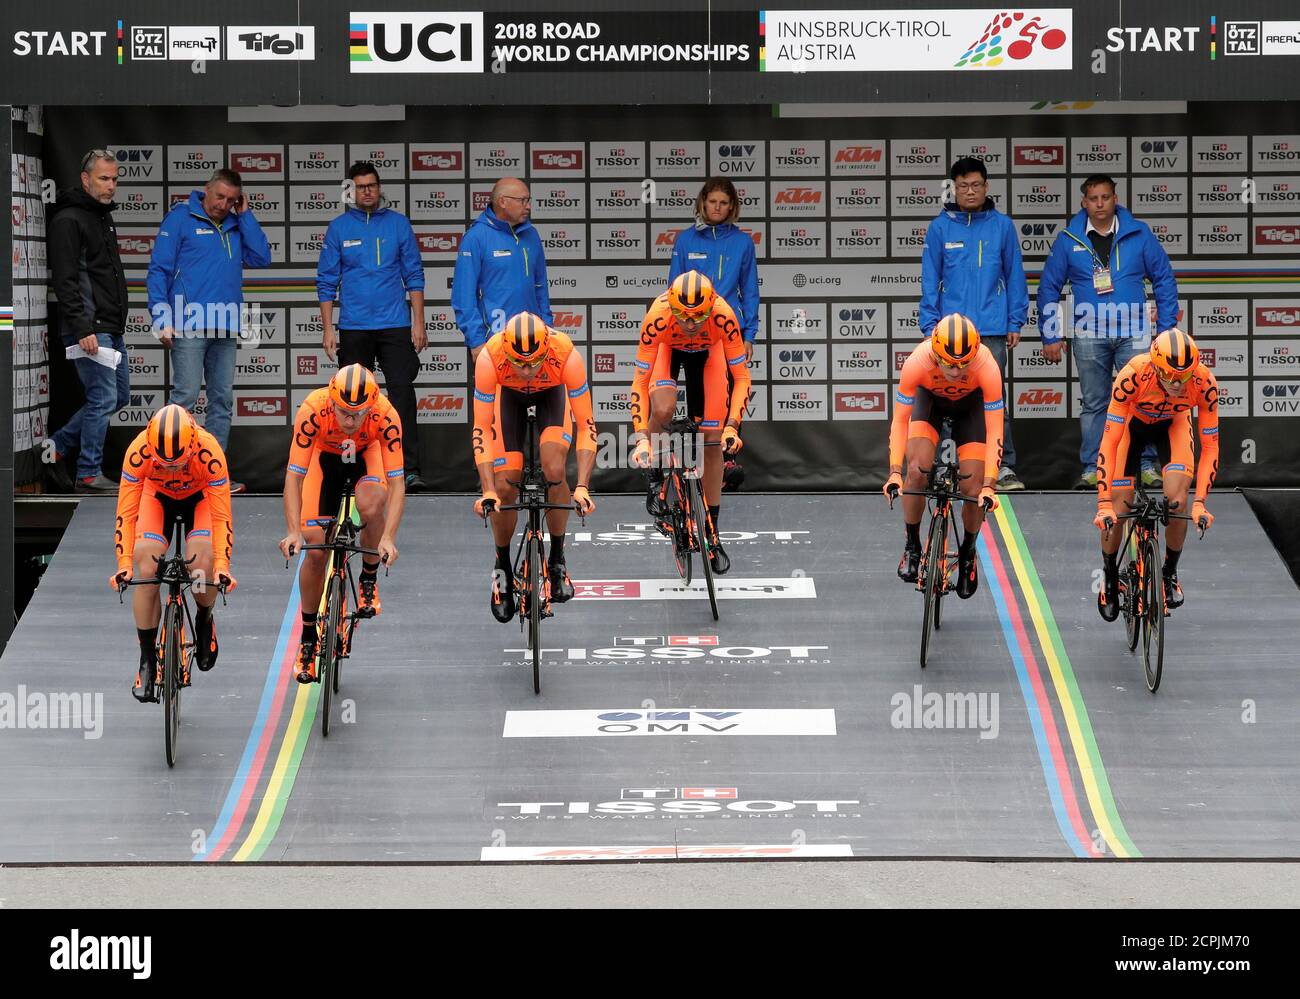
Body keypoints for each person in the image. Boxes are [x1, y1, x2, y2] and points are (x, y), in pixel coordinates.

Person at [1037, 175, 1178, 490]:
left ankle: (1144, 464)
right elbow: (1048, 287)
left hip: (1135, 331)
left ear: (1115, 199)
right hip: (1089, 332)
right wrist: (1050, 334)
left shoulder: (1139, 234)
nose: (1099, 204)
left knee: (1144, 399)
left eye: (1105, 197)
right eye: (1093, 199)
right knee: (1095, 401)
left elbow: (1164, 280)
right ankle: (1093, 466)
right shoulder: (1069, 239)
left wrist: (1166, 331)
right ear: (1084, 203)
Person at [278, 365, 406, 683]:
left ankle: (368, 577)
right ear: (332, 401)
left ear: (371, 407)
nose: (349, 420)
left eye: (358, 413)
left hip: (367, 454)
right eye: (343, 412)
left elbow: (398, 483)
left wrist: (388, 538)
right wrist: (293, 530)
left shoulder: (386, 415)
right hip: (325, 459)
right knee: (316, 548)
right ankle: (308, 638)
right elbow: (294, 478)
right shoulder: (313, 410)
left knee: (372, 503)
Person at [148, 167, 272, 493]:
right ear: (206, 190)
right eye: (220, 196)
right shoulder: (179, 218)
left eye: (232, 200)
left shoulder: (235, 222)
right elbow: (158, 270)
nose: (223, 204)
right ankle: (172, 473)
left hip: (226, 324)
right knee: (184, 399)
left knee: (221, 401)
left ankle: (211, 475)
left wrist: (245, 216)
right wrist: (161, 318)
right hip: (188, 323)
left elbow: (262, 258)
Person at [472, 313, 597, 622]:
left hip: (551, 394)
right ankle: (501, 565)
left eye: (533, 363)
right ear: (507, 351)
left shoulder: (565, 354)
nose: (527, 371)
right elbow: (481, 430)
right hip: (507, 398)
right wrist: (488, 489)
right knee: (505, 483)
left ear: (545, 349)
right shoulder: (490, 357)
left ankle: (557, 559)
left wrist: (582, 485)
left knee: (554, 469)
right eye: (519, 364)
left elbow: (586, 425)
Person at [110, 404, 234, 702]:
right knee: (146, 564)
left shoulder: (210, 451)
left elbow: (221, 518)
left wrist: (223, 565)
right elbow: (125, 515)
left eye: (178, 463)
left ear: (193, 445)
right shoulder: (138, 451)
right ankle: (146, 659)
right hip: (157, 499)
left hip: (200, 500)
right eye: (164, 463)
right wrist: (123, 563)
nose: (172, 468)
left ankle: (204, 617)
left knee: (202, 565)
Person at [317, 161, 428, 492]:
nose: (367, 191)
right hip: (353, 326)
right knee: (352, 400)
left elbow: (414, 275)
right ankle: (358, 466)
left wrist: (418, 323)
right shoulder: (338, 228)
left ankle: (408, 469)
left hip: (394, 323)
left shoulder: (398, 224)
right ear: (350, 191)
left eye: (372, 185)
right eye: (360, 186)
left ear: (379, 188)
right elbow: (326, 281)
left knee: (402, 395)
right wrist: (328, 329)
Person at [629, 272, 750, 574]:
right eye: (683, 316)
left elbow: (742, 377)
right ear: (672, 307)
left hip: (709, 355)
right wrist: (642, 436)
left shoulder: (724, 316)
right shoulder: (658, 316)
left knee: (712, 435)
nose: (691, 323)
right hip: (667, 351)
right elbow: (641, 381)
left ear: (711, 307)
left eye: (698, 316)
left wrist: (732, 425)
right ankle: (657, 477)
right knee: (664, 408)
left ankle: (712, 533)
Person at [1093, 329, 1219, 617]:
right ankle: (1110, 576)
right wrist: (1103, 504)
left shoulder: (1204, 382)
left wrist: (1200, 502)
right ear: (1155, 367)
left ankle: (1170, 572)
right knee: (1120, 505)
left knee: (1178, 501)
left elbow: (1210, 447)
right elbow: (1109, 441)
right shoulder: (1133, 374)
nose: (1177, 384)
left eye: (1184, 377)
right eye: (1170, 376)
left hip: (1172, 425)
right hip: (1130, 425)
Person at [920, 157, 1027, 490]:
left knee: (995, 402)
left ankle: (1003, 467)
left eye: (976, 184)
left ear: (986, 186)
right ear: (953, 188)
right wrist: (929, 327)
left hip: (992, 328)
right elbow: (929, 279)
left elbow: (1015, 275)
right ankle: (944, 468)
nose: (970, 191)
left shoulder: (1002, 226)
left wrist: (1015, 320)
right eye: (963, 185)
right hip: (949, 334)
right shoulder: (940, 227)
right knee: (944, 398)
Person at [884, 314, 1002, 600]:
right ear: (935, 353)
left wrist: (990, 483)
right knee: (916, 471)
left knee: (973, 489)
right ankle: (912, 546)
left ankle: (968, 554)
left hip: (970, 408)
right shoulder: (917, 361)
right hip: (931, 402)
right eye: (949, 363)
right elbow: (900, 421)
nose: (956, 371)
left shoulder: (986, 365)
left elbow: (995, 427)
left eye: (964, 364)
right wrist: (894, 472)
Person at [46, 148, 131, 493]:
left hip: (110, 327)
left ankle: (57, 447)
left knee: (119, 397)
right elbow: (66, 281)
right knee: (102, 399)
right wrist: (83, 328)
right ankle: (87, 473)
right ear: (85, 179)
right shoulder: (69, 219)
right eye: (104, 179)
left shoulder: (100, 215)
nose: (111, 186)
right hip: (90, 329)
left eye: (114, 179)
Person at [669, 177, 759, 491]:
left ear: (732, 206)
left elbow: (750, 291)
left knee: (730, 387)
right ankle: (700, 457)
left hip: (729, 330)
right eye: (712, 202)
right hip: (692, 329)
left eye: (724, 203)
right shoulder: (685, 240)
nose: (717, 208)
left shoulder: (743, 242)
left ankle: (724, 453)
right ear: (702, 204)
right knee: (697, 389)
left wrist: (750, 334)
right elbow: (673, 289)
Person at [452, 178, 553, 364]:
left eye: (529, 200)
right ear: (502, 202)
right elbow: (463, 296)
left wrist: (548, 330)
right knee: (498, 395)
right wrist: (476, 342)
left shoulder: (532, 234)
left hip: (534, 339)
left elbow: (540, 287)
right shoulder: (476, 237)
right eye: (522, 200)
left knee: (539, 394)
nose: (528, 206)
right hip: (494, 341)